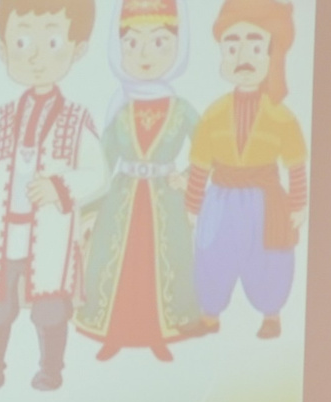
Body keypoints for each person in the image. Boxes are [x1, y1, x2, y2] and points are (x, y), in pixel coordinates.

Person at [0, 0, 104, 392]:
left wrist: (61, 187)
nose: (37, 56)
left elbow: (98, 173)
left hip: (50, 231)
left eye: (53, 41)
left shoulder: (76, 119)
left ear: (77, 49)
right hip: (1, 232)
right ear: (3, 49)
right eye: (23, 41)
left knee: (49, 303)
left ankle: (51, 370)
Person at [73, 0, 216, 362]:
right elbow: (102, 162)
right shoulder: (120, 107)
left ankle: (159, 334)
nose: (144, 54)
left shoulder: (181, 108)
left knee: (164, 264)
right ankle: (114, 334)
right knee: (116, 264)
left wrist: (188, 178)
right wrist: (86, 211)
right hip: (121, 199)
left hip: (165, 202)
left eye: (159, 42)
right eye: (132, 43)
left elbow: (207, 146)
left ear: (177, 46)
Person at [187, 0, 307, 342]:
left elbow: (296, 165)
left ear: (271, 54)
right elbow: (200, 164)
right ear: (222, 52)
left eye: (255, 45)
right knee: (211, 254)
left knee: (269, 257)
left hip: (265, 200)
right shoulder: (214, 113)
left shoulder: (281, 116)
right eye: (232, 44)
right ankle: (209, 315)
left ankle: (272, 314)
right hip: (221, 198)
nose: (243, 56)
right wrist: (192, 207)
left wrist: (297, 206)